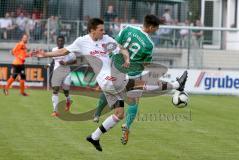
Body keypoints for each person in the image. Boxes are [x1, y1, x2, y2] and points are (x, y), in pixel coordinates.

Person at [33, 18, 130, 152]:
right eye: (100, 30)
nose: (104, 32)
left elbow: (122, 49)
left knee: (119, 114)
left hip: (111, 79)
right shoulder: (81, 41)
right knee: (123, 80)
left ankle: (94, 137)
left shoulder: (107, 39)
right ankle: (149, 86)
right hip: (105, 78)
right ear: (92, 31)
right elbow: (63, 51)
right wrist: (45, 54)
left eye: (103, 29)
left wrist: (127, 58)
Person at [93, 14, 188, 145]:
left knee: (113, 99)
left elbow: (115, 44)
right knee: (135, 100)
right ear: (150, 27)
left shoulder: (127, 29)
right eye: (155, 28)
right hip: (131, 74)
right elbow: (145, 64)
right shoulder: (149, 44)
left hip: (115, 69)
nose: (156, 31)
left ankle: (97, 119)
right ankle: (127, 125)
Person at [50, 35, 77, 117]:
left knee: (66, 92)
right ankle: (55, 111)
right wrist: (49, 65)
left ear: (64, 42)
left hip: (66, 73)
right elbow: (54, 61)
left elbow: (75, 61)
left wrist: (66, 63)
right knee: (55, 90)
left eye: (62, 41)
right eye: (59, 41)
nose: (60, 42)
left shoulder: (68, 51)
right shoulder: (54, 50)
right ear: (56, 42)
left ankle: (68, 100)